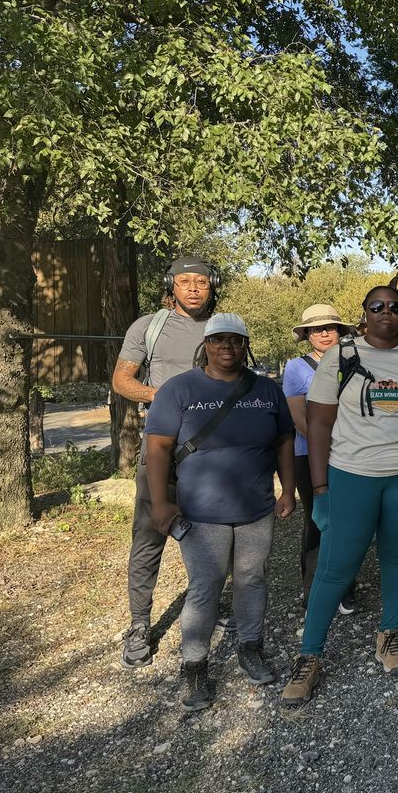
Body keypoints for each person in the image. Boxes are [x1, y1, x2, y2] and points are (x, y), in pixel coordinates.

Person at [281, 287, 398, 705]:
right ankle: (309, 655)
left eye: (395, 307)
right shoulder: (341, 358)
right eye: (378, 307)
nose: (387, 313)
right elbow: (318, 426)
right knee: (336, 567)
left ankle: (389, 634)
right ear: (364, 314)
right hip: (353, 476)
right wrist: (320, 490)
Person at [143, 314, 296, 711]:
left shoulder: (266, 390)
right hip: (202, 512)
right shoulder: (179, 389)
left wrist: (288, 490)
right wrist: (160, 502)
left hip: (256, 507)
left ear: (246, 345)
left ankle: (250, 647)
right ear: (205, 345)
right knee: (206, 585)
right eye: (218, 340)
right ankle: (194, 665)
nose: (227, 347)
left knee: (251, 578)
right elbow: (158, 447)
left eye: (235, 340)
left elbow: (283, 441)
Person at [113, 255, 218, 670]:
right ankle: (140, 624)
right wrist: (163, 397)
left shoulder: (222, 326)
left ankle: (213, 604)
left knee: (215, 534)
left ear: (213, 287)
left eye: (202, 282)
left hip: (214, 454)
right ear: (171, 285)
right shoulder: (148, 326)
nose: (194, 288)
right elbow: (122, 381)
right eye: (185, 281)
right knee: (149, 534)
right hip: (163, 449)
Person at [282, 304, 357, 614]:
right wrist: (328, 445)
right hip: (309, 454)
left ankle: (345, 587)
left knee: (350, 520)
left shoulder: (355, 362)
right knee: (318, 518)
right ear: (308, 335)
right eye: (317, 329)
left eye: (331, 327)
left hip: (353, 454)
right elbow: (299, 417)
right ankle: (312, 588)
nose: (325, 333)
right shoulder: (296, 368)